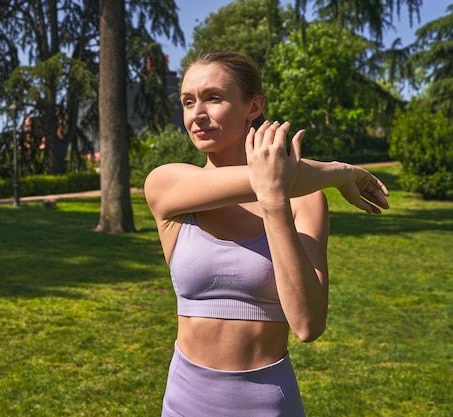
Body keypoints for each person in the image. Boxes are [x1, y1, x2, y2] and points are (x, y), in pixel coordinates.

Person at [143, 50, 390, 417]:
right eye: (188, 101)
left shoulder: (304, 202)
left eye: (214, 98)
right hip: (184, 404)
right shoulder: (167, 184)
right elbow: (258, 179)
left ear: (253, 106)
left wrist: (275, 203)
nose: (197, 114)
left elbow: (308, 324)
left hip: (269, 406)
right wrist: (341, 172)